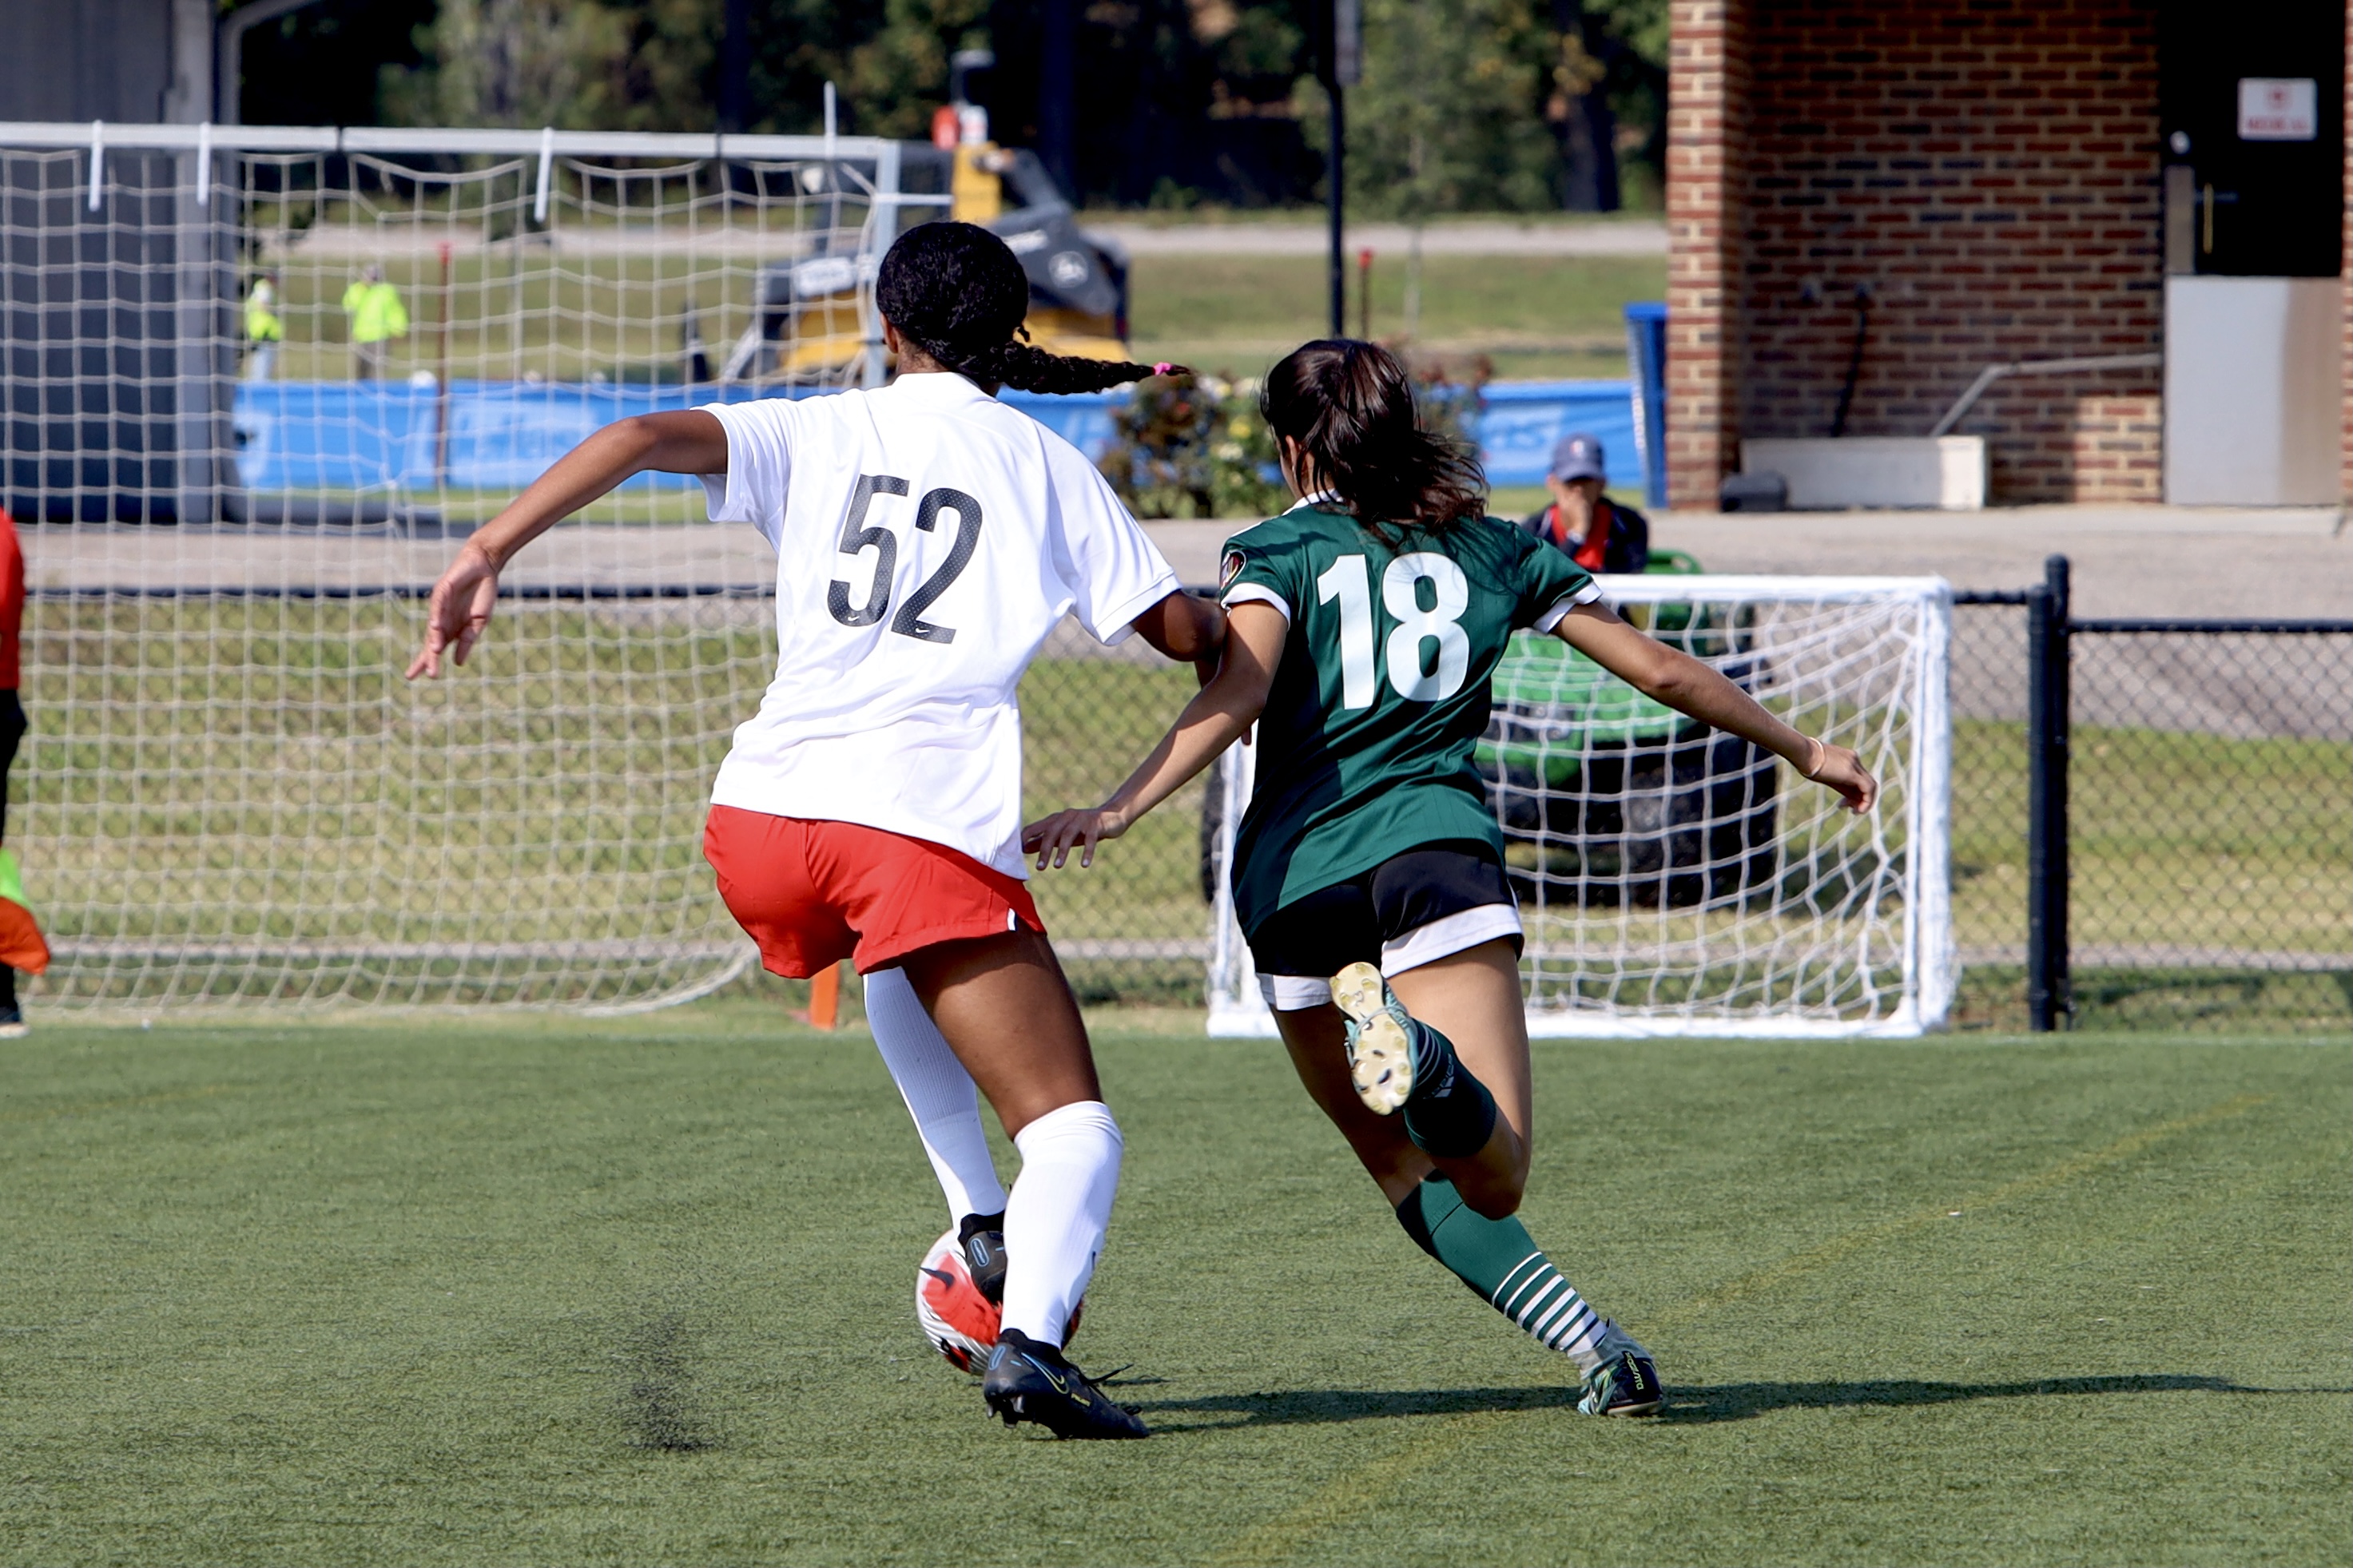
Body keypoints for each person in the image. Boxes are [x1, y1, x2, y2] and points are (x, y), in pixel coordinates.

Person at [407, 221, 1221, 1439]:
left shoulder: (817, 424)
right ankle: (1033, 1348)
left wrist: (485, 547)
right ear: (1010, 336)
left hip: (760, 821)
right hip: (910, 820)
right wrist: (1243, 611)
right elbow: (1181, 638)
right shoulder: (1044, 462)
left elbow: (636, 436)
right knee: (1076, 1127)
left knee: (894, 954)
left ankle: (979, 1216)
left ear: (883, 329)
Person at [1024, 340, 1876, 1418]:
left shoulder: (1273, 551)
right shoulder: (1497, 549)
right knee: (1495, 1168)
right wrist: (1804, 749)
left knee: (1401, 1169)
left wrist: (1116, 806)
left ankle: (1596, 1345)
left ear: (1294, 448)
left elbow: (1235, 694)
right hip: (1434, 854)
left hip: (1292, 886)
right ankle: (1423, 1059)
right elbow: (1661, 669)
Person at [1520, 431, 1649, 574]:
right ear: (1552, 483)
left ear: (1602, 484)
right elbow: (1538, 581)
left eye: (1586, 480)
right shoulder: (1534, 530)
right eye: (1571, 482)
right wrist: (1576, 535)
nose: (1579, 490)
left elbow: (1631, 578)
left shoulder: (1628, 525)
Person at [343, 265, 408, 381]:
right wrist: (362, 288)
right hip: (361, 336)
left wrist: (399, 330)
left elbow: (395, 311)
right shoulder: (357, 290)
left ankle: (376, 394)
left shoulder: (387, 291)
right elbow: (348, 305)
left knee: (377, 372)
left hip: (380, 336)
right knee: (361, 370)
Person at [244, 271, 283, 382]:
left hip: (264, 335)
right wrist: (275, 311)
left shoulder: (262, 288)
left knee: (263, 370)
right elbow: (263, 305)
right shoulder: (264, 288)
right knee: (261, 372)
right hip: (264, 335)